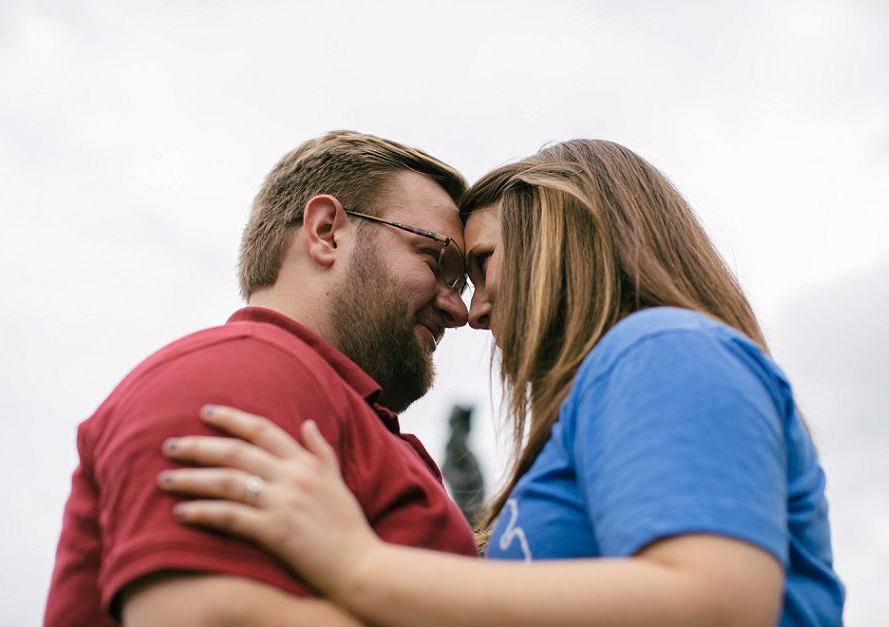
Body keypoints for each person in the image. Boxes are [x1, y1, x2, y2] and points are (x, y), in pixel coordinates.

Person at [156, 139, 846, 626]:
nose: (473, 310)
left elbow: (718, 606)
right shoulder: (611, 393)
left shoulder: (659, 347)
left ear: (564, 234)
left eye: (482, 264)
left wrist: (357, 564)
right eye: (454, 273)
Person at [44, 130, 480, 627]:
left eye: (460, 283)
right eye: (433, 260)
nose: (460, 309)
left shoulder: (322, 403)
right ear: (326, 232)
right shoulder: (241, 375)